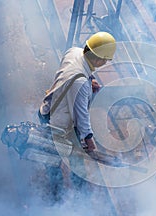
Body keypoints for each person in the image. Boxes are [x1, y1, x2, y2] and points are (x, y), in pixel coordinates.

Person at [37, 31, 116, 202]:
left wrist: (90, 79)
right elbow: (81, 117)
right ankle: (61, 197)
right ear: (98, 59)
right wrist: (89, 141)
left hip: (47, 108)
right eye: (105, 60)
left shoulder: (73, 52)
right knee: (69, 158)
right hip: (58, 124)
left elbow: (70, 72)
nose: (105, 63)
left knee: (53, 154)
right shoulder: (80, 84)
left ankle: (62, 188)